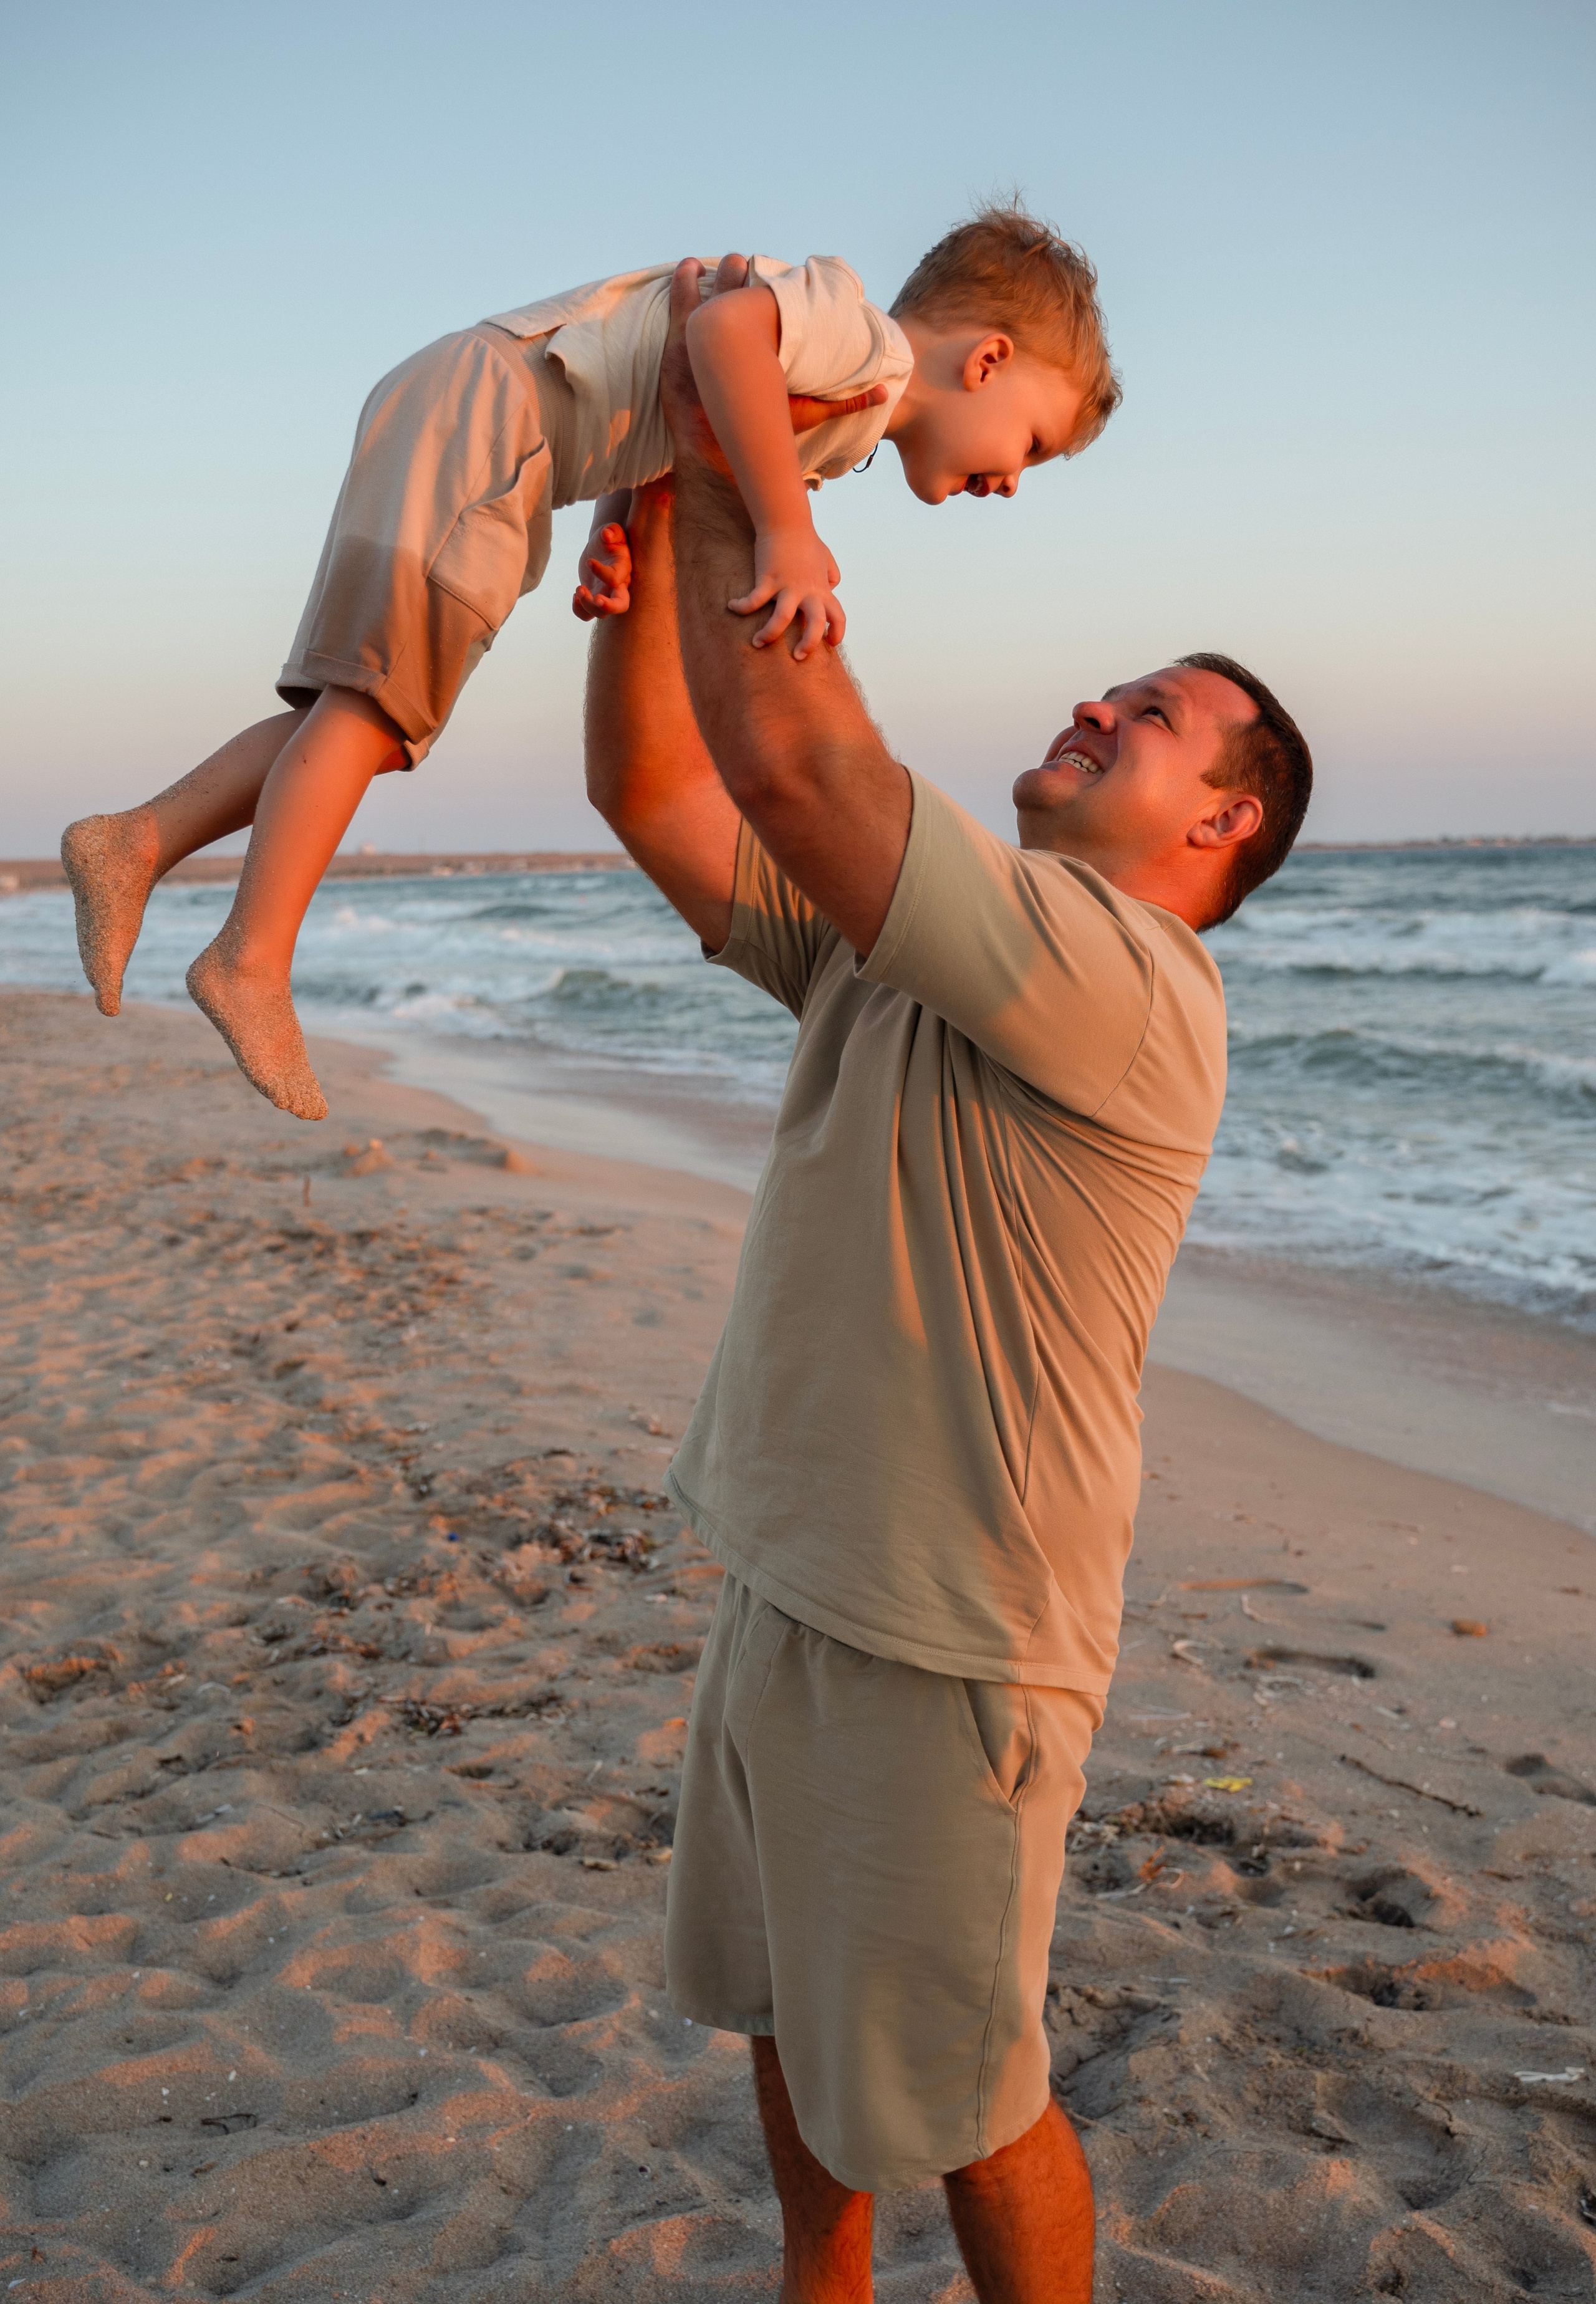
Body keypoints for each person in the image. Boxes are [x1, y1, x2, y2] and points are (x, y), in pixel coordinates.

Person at [581, 260, 1312, 2302]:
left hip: (953, 1636)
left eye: (1150, 717)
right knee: (792, 2011)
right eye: (1110, 685)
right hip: (792, 1568)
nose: (1096, 703)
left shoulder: (1129, 980)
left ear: (1220, 822)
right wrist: (648, 527)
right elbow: (663, 794)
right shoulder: (905, 949)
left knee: (971, 2094)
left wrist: (740, 461)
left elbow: (810, 768)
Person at [59, 206, 1119, 1123]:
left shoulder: (844, 423)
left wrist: (620, 521)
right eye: (1030, 446)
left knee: (368, 715)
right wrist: (785, 532)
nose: (1014, 483)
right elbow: (721, 327)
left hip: (510, 433)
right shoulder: (864, 342)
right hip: (497, 412)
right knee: (377, 710)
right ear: (987, 361)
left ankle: (140, 839)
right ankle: (250, 957)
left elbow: (672, 397)